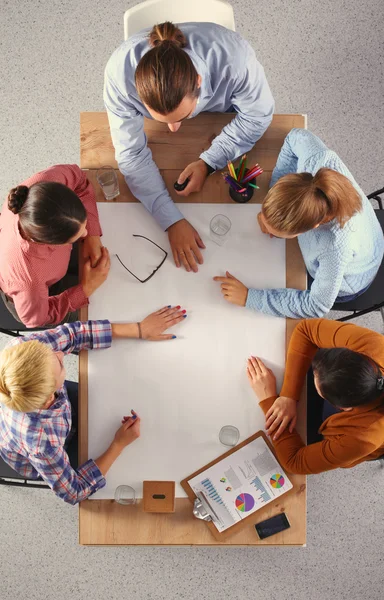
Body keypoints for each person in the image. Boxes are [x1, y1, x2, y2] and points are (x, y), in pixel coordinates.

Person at [104, 21, 274, 273]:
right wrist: (171, 220)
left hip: (223, 113)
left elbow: (256, 117)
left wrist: (209, 162)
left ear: (198, 81)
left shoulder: (236, 61)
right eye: (163, 120)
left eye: (181, 117)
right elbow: (130, 154)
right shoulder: (119, 74)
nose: (173, 130)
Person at [0, 305, 186, 504]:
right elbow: (74, 492)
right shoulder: (42, 445)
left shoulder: (22, 351)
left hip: (58, 411)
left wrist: (140, 329)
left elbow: (72, 335)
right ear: (48, 395)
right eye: (61, 366)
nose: (62, 354)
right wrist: (118, 444)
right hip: (51, 448)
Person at [214, 129, 384, 318]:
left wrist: (249, 298)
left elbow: (317, 306)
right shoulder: (317, 159)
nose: (261, 222)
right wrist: (273, 212)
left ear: (311, 228)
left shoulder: (334, 247)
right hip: (363, 236)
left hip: (353, 279)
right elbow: (294, 136)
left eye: (281, 233)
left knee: (285, 282)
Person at [246, 319, 384, 474]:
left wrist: (269, 399)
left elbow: (295, 462)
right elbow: (306, 330)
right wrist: (288, 395)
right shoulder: (375, 345)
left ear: (343, 408)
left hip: (345, 436)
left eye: (318, 389)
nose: (313, 378)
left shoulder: (364, 437)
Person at [0, 164, 110, 328]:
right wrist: (87, 288)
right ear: (51, 243)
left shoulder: (47, 182)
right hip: (32, 302)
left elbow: (80, 179)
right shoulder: (29, 282)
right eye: (76, 237)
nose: (84, 234)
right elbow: (36, 319)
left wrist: (92, 235)